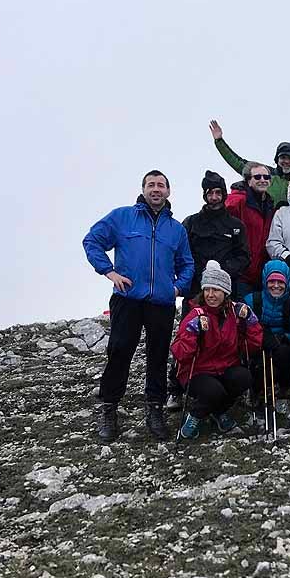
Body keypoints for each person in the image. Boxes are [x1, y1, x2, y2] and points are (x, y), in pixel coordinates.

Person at [83, 170, 195, 442]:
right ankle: (109, 409)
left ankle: (154, 411)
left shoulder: (176, 229)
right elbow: (92, 241)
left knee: (157, 357)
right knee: (120, 352)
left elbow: (187, 263)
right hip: (127, 299)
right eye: (151, 185)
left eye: (161, 185)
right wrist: (109, 271)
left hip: (162, 303)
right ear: (143, 189)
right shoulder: (123, 217)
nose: (156, 189)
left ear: (169, 191)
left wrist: (177, 288)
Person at [170, 261, 263, 440]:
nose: (211, 295)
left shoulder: (236, 313)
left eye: (216, 290)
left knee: (244, 378)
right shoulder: (195, 314)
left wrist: (250, 322)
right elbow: (179, 353)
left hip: (225, 367)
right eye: (207, 290)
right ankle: (196, 416)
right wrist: (191, 332)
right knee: (214, 391)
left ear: (225, 293)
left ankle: (217, 411)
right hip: (196, 372)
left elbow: (252, 346)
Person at [181, 171, 249, 302]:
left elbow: (244, 257)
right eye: (210, 193)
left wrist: (221, 271)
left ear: (224, 194)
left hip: (226, 290)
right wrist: (201, 272)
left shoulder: (236, 225)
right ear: (205, 196)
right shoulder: (191, 223)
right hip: (196, 290)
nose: (214, 197)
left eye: (218, 193)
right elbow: (182, 255)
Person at [243, 260, 290, 413]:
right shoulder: (251, 300)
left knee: (285, 353)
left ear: (287, 282)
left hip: (279, 347)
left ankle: (283, 389)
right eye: (272, 281)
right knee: (259, 365)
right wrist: (260, 337)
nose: (276, 286)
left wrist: (282, 337)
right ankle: (255, 390)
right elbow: (242, 330)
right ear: (265, 281)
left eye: (280, 281)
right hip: (257, 345)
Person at [208, 119, 290, 205]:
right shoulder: (265, 173)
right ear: (277, 160)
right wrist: (219, 141)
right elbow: (237, 163)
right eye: (283, 157)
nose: (286, 161)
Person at [225, 162, 276, 299]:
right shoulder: (236, 202)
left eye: (266, 177)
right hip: (240, 275)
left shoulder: (269, 205)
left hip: (260, 275)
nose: (262, 180)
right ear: (248, 180)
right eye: (257, 177)